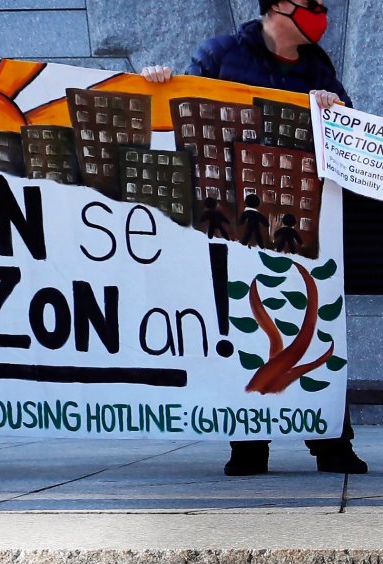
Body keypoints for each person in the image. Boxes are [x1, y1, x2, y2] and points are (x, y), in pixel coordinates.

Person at [142, 0, 367, 477]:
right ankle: (248, 443)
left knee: (312, 320)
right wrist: (157, 82)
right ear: (279, 6)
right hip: (229, 215)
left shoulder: (317, 66)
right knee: (243, 317)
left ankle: (331, 441)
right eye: (312, 5)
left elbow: (350, 131)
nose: (321, 13)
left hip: (297, 215)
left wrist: (335, 110)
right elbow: (176, 113)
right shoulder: (222, 54)